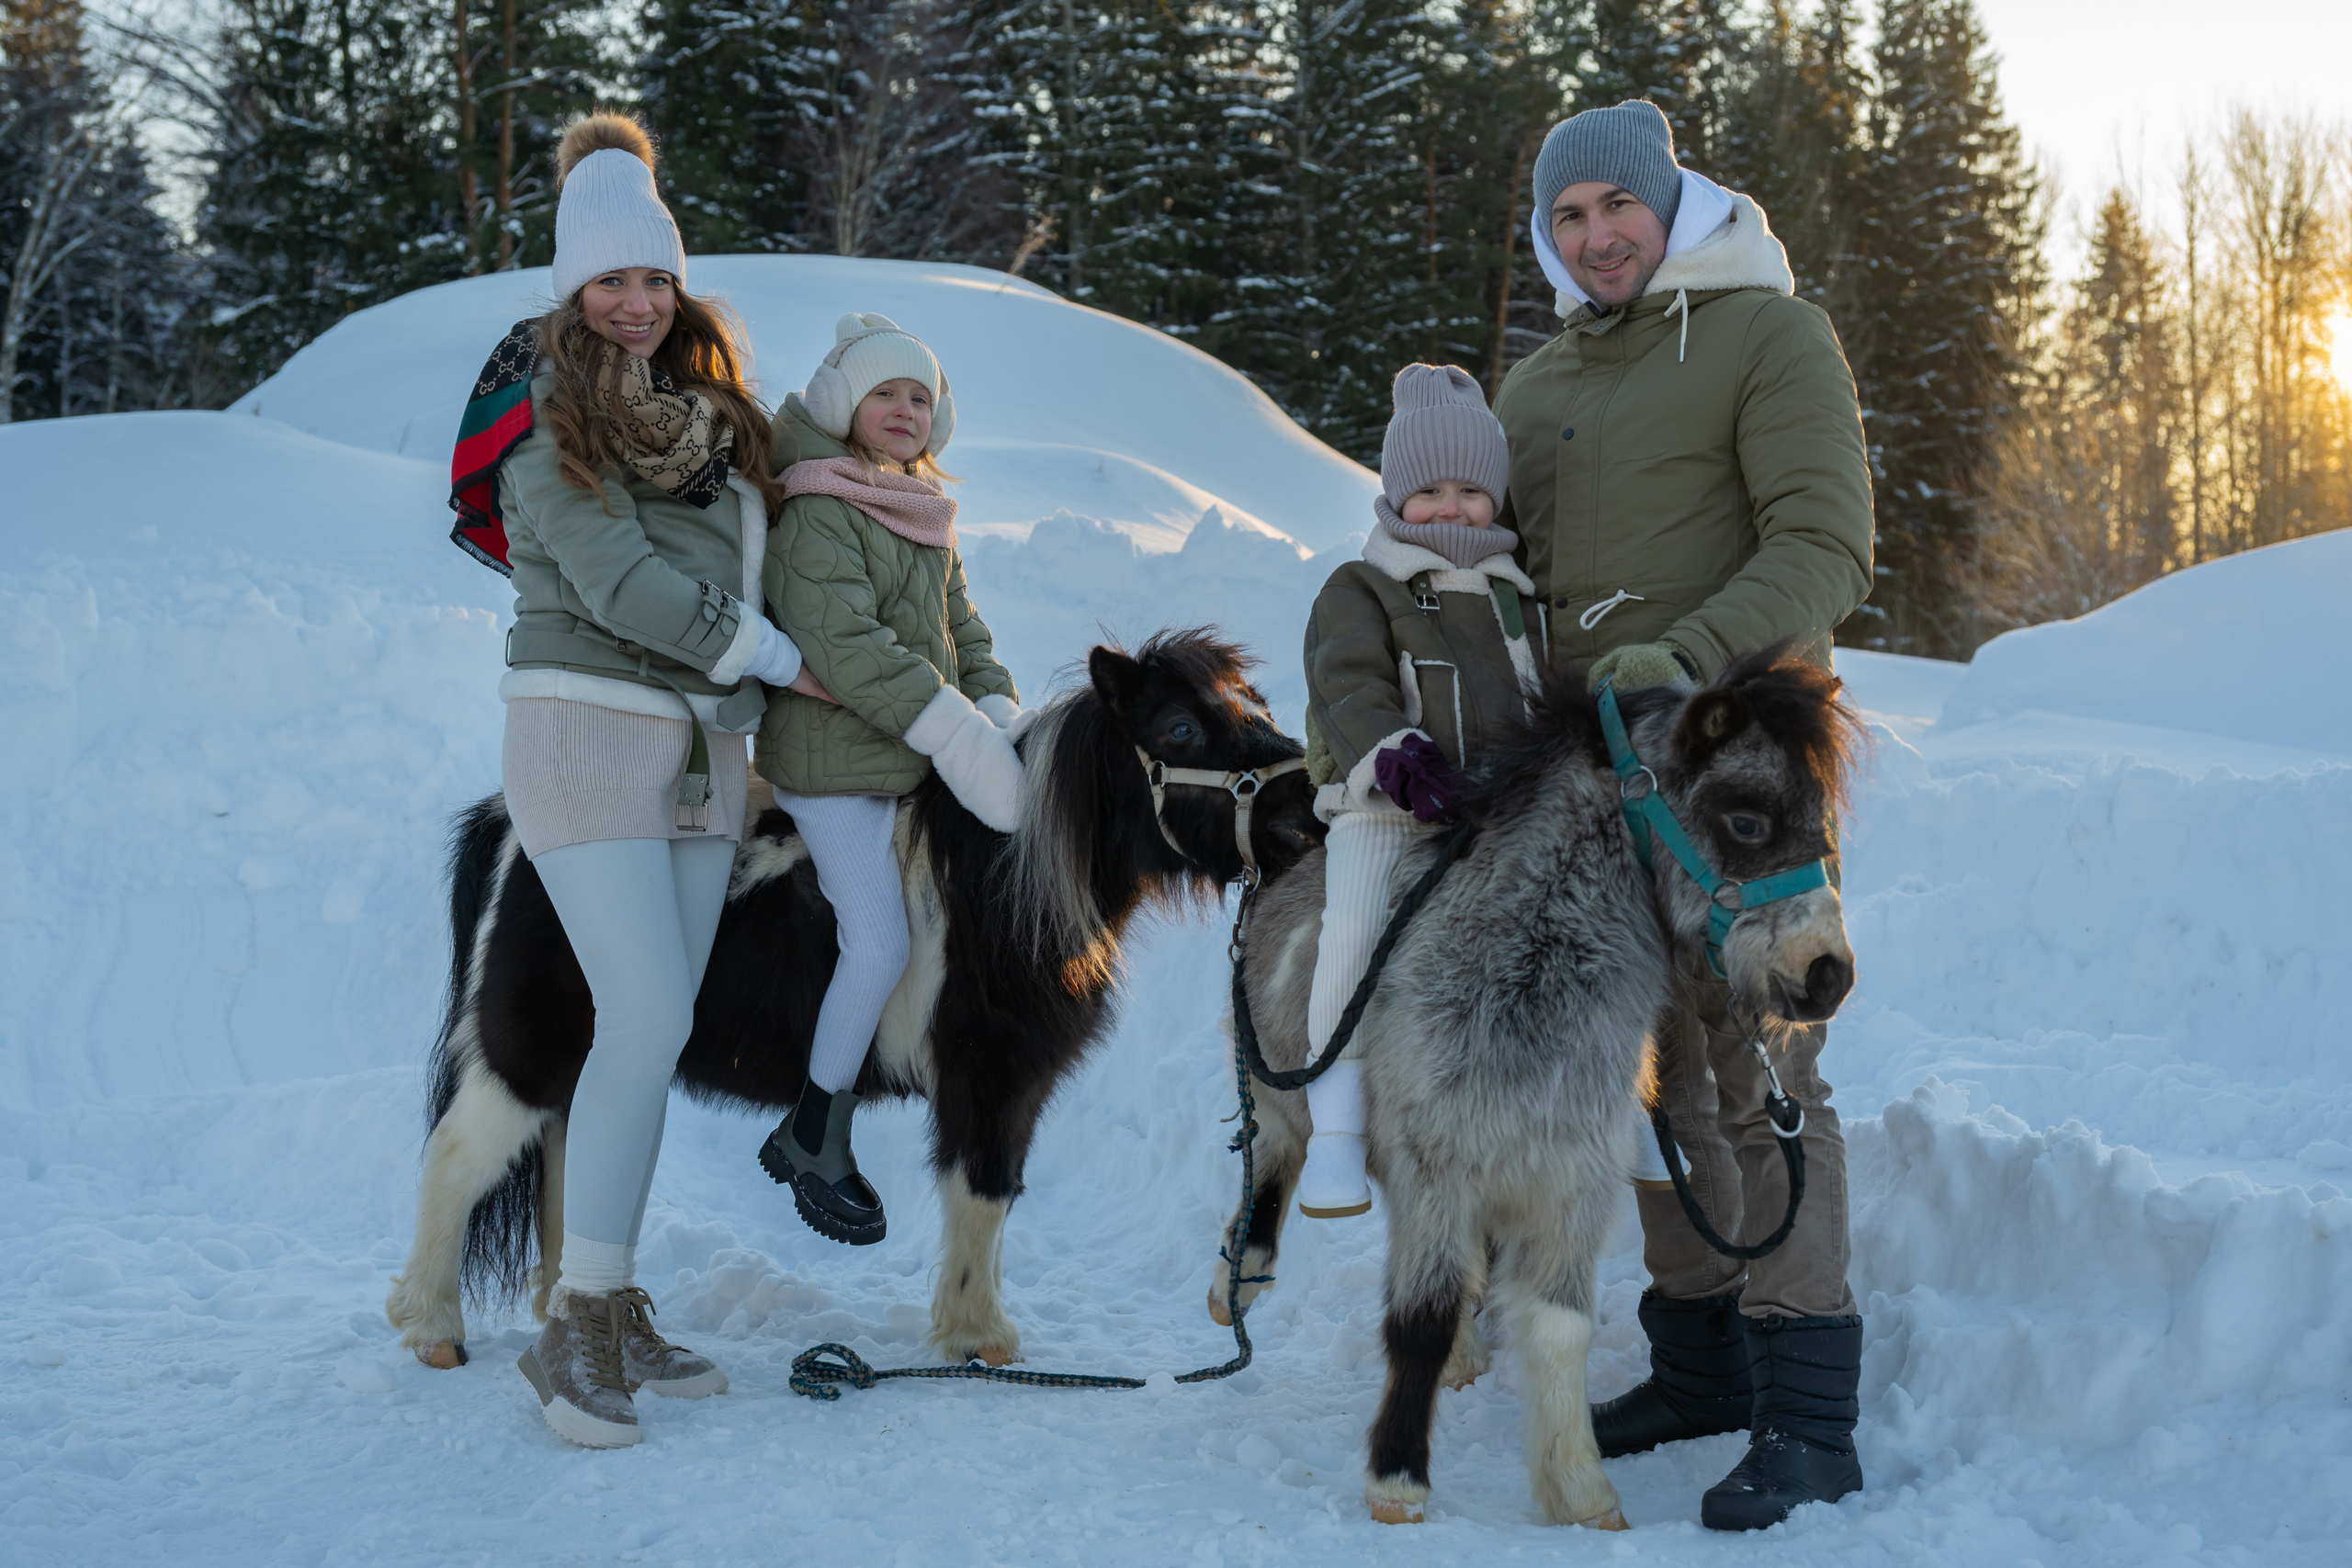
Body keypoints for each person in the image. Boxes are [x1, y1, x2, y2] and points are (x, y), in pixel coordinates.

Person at [1492, 98, 1875, 1530]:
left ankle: (1812, 1412)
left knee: (1759, 1066)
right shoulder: (1534, 387)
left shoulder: (1771, 334)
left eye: (1617, 211)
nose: (1596, 238)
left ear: (1672, 208)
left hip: (1738, 767)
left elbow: (1827, 540)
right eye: (1568, 219)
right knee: (1636, 1077)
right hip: (1591, 782)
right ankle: (1701, 1361)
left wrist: (1688, 658)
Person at [472, 111, 810, 1449]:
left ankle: (603, 1299)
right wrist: (776, 655)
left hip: (697, 752)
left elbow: (790, 512)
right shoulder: (540, 407)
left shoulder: (710, 415)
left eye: (654, 277)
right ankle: (574, 1323)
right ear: (572, 286)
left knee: (654, 1033)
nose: (635, 302)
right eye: (611, 279)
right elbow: (616, 580)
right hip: (583, 731)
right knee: (648, 1006)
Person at [752, 313, 1026, 1247]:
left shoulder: (920, 514)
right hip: (832, 765)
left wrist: (994, 709)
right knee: (877, 942)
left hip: (906, 758)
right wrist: (950, 726)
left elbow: (965, 633)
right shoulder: (820, 507)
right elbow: (847, 647)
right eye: (884, 393)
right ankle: (813, 1129)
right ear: (842, 406)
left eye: (920, 396)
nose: (904, 410)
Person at [1295, 364, 1541, 1217]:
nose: (1451, 507)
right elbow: (1345, 683)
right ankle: (1335, 1133)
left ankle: (1621, 1101)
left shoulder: (1522, 600)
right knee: (1354, 930)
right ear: (1399, 495)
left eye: (1472, 488)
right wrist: (1396, 757)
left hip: (1504, 819)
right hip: (1390, 810)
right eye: (1429, 488)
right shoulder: (1365, 587)